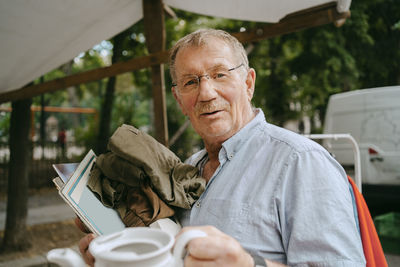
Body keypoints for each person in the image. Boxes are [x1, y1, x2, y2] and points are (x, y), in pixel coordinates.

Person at [77, 29, 366, 266]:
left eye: (220, 74)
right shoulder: (186, 169)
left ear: (249, 83)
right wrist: (117, 257)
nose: (206, 92)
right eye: (191, 82)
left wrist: (250, 264)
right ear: (179, 100)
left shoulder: (301, 161)